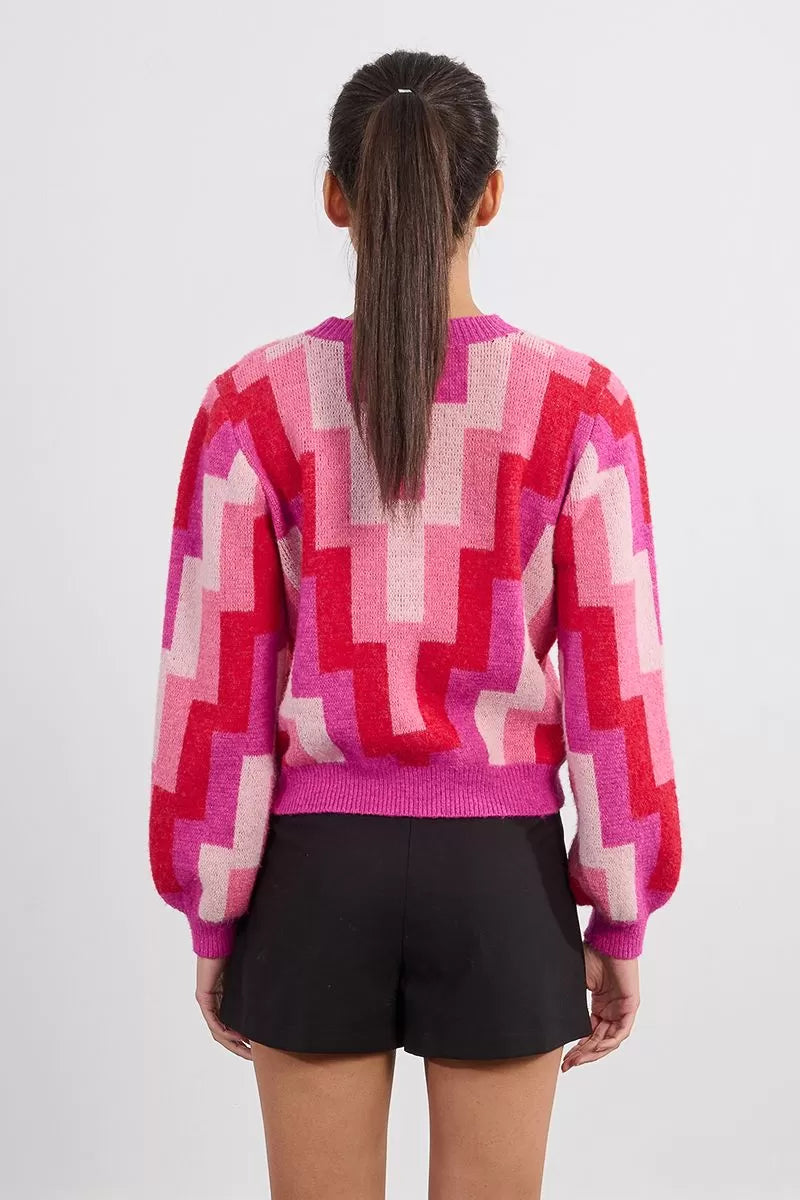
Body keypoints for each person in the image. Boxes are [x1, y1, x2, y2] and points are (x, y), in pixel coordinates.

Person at [148, 46, 682, 1200]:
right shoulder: (578, 408)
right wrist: (619, 916)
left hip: (313, 882)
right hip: (499, 884)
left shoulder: (252, 405)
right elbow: (616, 688)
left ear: (335, 197)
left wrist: (214, 912)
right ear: (487, 197)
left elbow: (217, 683)